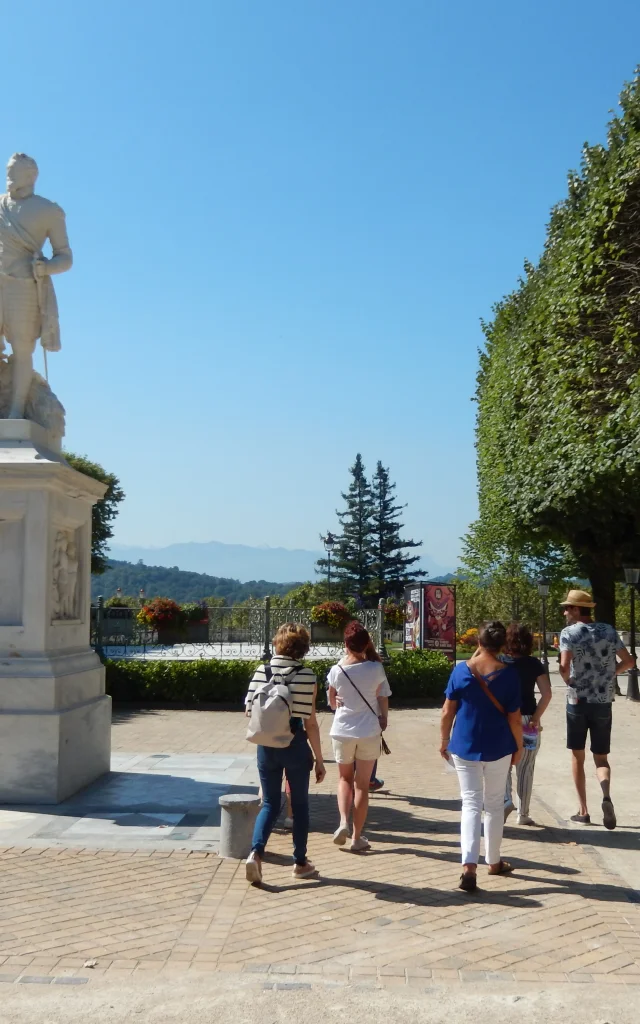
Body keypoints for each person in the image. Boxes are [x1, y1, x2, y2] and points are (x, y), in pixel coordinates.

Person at [440, 621, 523, 893]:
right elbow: (514, 717)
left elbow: (447, 711)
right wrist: (519, 746)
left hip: (465, 744)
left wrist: (443, 740)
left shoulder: (461, 671)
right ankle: (495, 861)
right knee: (495, 804)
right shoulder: (509, 675)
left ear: (478, 641)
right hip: (499, 745)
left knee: (470, 803)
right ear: (502, 645)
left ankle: (468, 866)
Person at [245, 623, 326, 883]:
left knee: (269, 803)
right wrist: (320, 759)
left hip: (266, 745)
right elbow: (310, 722)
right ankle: (300, 863)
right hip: (295, 744)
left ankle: (256, 854)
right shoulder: (308, 675)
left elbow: (249, 710)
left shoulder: (261, 670)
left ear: (277, 643)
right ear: (303, 647)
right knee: (299, 805)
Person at [0, 153, 72, 418]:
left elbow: (65, 256)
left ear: (30, 176)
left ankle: (16, 411)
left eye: (14, 171)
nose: (8, 175)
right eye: (7, 170)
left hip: (24, 287)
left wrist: (47, 267)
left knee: (21, 348)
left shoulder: (48, 211)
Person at [559, 589, 634, 830]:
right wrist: (610, 673)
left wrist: (568, 680)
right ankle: (606, 796)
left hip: (577, 701)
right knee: (601, 757)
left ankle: (583, 811)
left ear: (577, 610)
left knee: (577, 756)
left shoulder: (569, 633)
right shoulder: (608, 631)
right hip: (603, 700)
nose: (565, 612)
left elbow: (563, 665)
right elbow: (630, 660)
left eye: (568, 607)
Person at [327, 621, 390, 853]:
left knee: (344, 779)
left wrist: (338, 701)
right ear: (367, 644)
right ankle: (356, 837)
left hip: (342, 730)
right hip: (369, 731)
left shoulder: (336, 670)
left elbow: (333, 703)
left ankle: (343, 822)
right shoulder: (375, 668)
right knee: (362, 785)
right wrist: (384, 718)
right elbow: (383, 696)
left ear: (345, 644)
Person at [502, 623, 552, 825]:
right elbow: (547, 694)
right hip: (527, 720)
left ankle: (505, 801)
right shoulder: (534, 664)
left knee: (502, 765)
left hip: (504, 720)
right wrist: (535, 718)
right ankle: (523, 814)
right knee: (526, 767)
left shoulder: (501, 663)